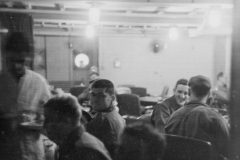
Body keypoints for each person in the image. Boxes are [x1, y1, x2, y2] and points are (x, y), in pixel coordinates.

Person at [0, 32, 51, 160]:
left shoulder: (39, 82)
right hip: (5, 150)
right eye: (12, 61)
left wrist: (41, 121)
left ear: (28, 57)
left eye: (21, 61)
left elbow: (50, 116)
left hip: (33, 150)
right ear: (5, 56)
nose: (16, 66)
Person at [165, 75, 230, 160]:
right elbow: (229, 150)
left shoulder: (173, 116)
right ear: (209, 94)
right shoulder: (215, 118)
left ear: (188, 91)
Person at [43, 94, 112, 160]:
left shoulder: (81, 150)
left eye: (49, 120)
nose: (44, 125)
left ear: (67, 120)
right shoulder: (78, 142)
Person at [86, 79, 126, 157]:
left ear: (113, 98)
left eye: (101, 96)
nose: (95, 100)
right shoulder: (115, 115)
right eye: (93, 95)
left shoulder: (102, 120)